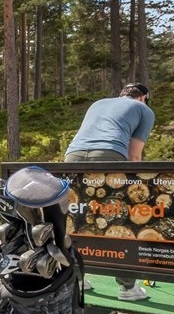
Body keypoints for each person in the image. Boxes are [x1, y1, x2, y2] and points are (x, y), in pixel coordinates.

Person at [65, 82, 156, 301]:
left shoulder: (99, 103)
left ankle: (77, 278)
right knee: (119, 219)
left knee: (80, 217)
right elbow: (134, 156)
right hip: (108, 154)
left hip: (72, 156)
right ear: (143, 97)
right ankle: (127, 288)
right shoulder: (144, 110)